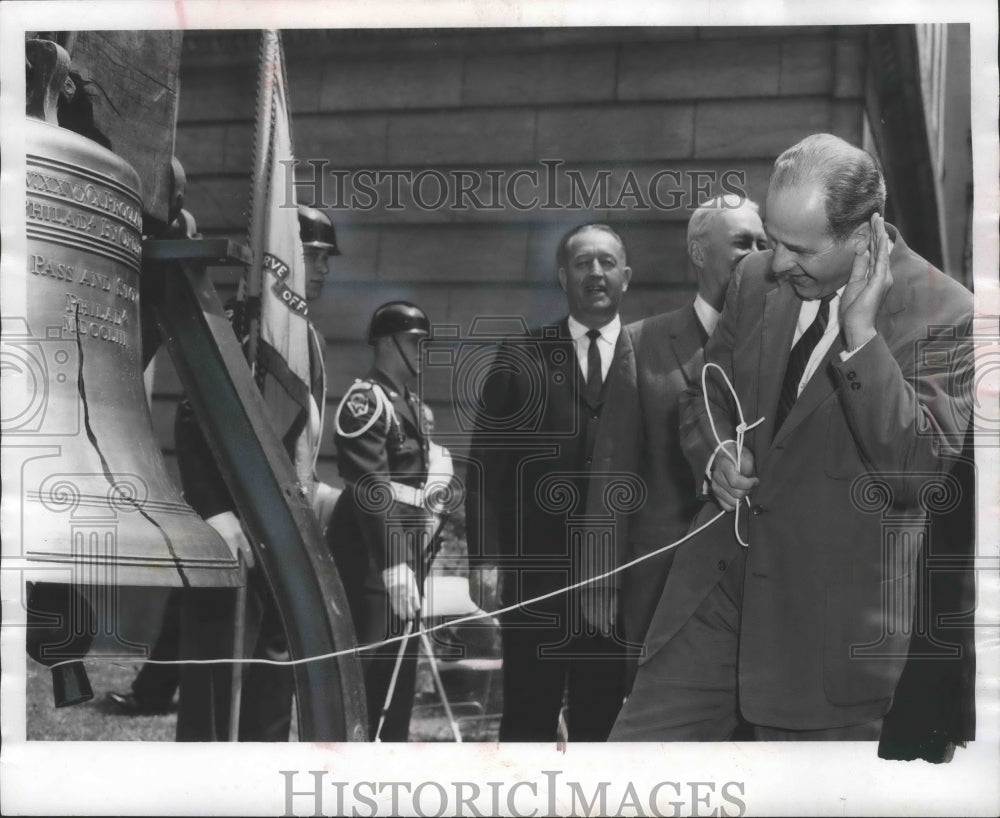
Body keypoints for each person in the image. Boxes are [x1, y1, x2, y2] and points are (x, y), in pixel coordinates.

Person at [611, 133, 973, 741]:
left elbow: (916, 473)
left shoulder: (948, 312)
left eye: (798, 249)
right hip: (712, 596)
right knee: (631, 771)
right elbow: (704, 393)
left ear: (864, 234)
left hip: (825, 635)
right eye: (772, 239)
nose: (776, 264)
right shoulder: (753, 279)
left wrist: (862, 339)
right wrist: (716, 453)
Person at [109, 205, 340, 741]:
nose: (324, 269)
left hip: (283, 524)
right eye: (313, 257)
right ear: (283, 260)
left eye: (328, 259)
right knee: (219, 674)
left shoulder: (307, 337)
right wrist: (216, 512)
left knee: (273, 668)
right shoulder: (246, 325)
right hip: (237, 521)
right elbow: (196, 415)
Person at [586, 195, 766, 690]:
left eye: (764, 243)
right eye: (742, 243)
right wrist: (601, 578)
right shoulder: (642, 342)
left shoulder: (780, 346)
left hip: (757, 586)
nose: (757, 254)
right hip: (662, 581)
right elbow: (612, 468)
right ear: (699, 253)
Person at [465, 223, 634, 742]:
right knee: (527, 717)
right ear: (563, 277)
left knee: (602, 720)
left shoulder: (651, 355)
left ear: (626, 277)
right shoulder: (522, 356)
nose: (596, 273)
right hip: (537, 576)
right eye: (583, 263)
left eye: (607, 262)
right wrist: (485, 558)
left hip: (618, 576)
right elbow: (485, 465)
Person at [327, 300, 436, 742]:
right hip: (372, 550)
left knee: (400, 657)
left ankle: (390, 754)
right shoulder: (365, 401)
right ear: (387, 343)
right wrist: (393, 563)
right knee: (371, 658)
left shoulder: (412, 404)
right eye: (415, 341)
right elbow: (370, 486)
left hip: (406, 545)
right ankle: (354, 756)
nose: (423, 350)